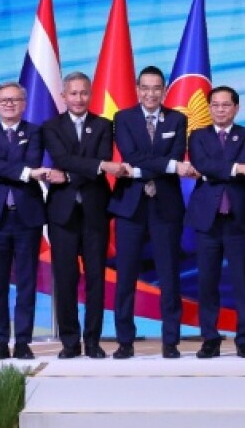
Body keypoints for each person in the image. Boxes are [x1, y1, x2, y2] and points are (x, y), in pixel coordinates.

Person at [107, 66, 195, 359]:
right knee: (126, 276)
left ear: (165, 89)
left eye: (157, 88)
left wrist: (151, 166)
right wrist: (170, 167)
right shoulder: (123, 118)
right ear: (137, 88)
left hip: (165, 206)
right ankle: (125, 341)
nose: (151, 93)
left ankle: (170, 341)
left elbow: (175, 153)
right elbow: (131, 155)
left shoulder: (178, 119)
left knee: (170, 274)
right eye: (145, 87)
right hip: (130, 207)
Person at [42, 71, 126, 359]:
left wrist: (68, 175)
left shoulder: (103, 125)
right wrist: (96, 166)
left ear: (91, 95)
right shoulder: (51, 126)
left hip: (95, 211)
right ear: (64, 96)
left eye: (84, 93)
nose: (79, 98)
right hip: (61, 213)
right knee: (65, 278)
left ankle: (92, 340)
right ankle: (69, 341)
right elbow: (63, 158)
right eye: (73, 93)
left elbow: (95, 159)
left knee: (95, 279)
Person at [0, 81, 49, 360]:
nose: (9, 104)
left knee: (27, 282)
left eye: (14, 100)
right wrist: (28, 172)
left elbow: (28, 158)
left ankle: (24, 341)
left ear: (24, 103)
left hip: (27, 217)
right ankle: (0, 341)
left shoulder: (36, 132)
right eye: (4, 100)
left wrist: (4, 169)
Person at [187, 86, 245, 359]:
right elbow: (202, 163)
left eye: (226, 105)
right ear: (209, 108)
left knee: (243, 281)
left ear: (236, 108)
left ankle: (244, 340)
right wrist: (234, 169)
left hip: (238, 219)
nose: (220, 109)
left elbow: (243, 164)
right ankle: (210, 338)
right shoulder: (196, 136)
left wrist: (216, 171)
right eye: (215, 105)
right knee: (207, 282)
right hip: (208, 221)